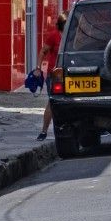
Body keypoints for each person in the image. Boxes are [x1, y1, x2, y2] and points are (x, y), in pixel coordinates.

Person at [37, 12, 68, 141]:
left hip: (70, 73)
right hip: (55, 74)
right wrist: (38, 68)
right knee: (52, 101)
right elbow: (43, 51)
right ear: (62, 24)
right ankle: (44, 131)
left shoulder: (73, 35)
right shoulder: (54, 36)